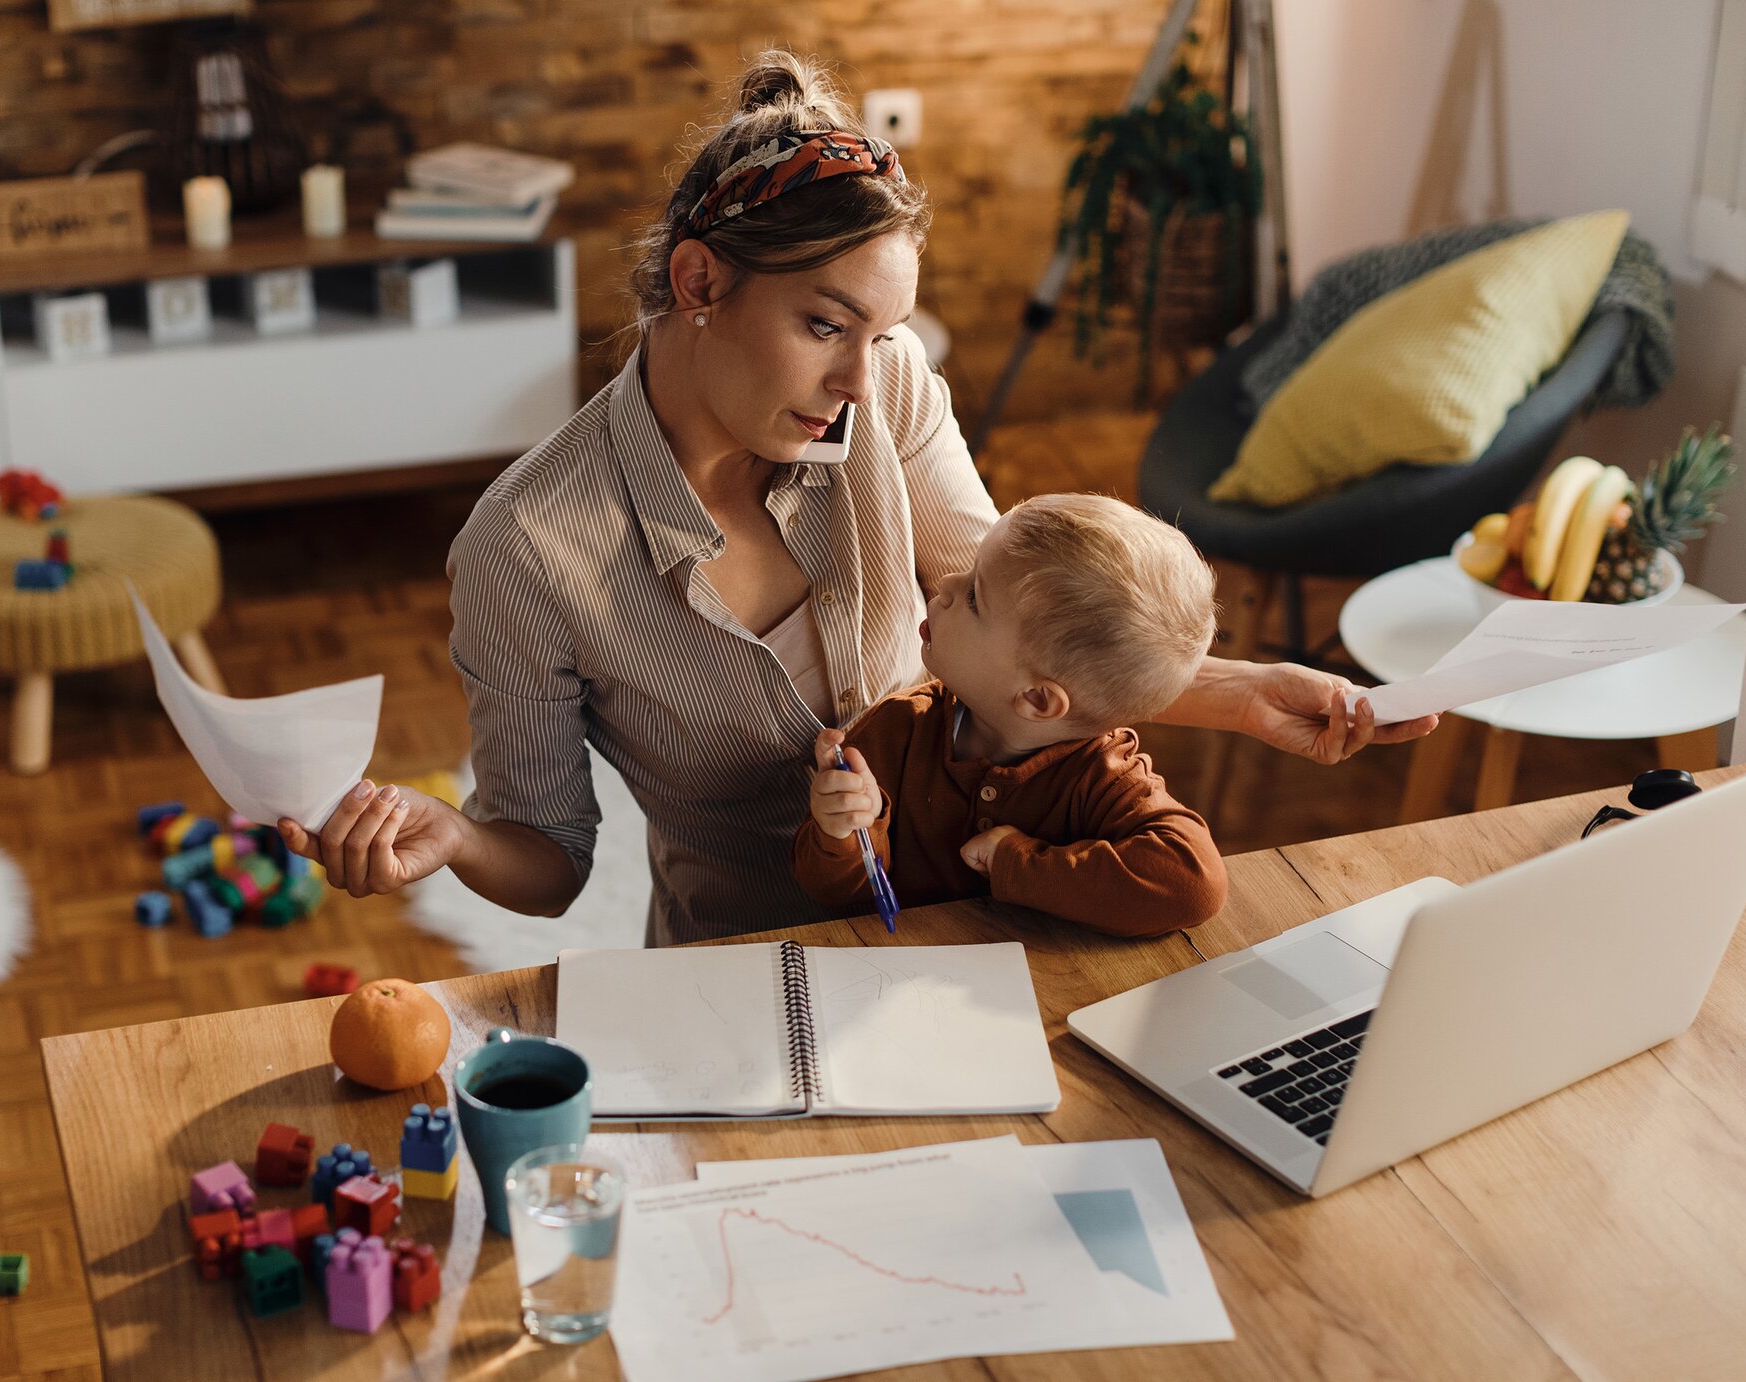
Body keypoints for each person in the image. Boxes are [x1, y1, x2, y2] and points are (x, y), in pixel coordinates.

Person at [278, 50, 1437, 947]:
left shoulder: (884, 386)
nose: (857, 378)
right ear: (699, 282)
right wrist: (459, 839)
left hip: (967, 931)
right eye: (826, 325)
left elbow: (1022, 609)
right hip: (744, 965)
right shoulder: (526, 548)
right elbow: (553, 860)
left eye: (879, 334)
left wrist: (1235, 695)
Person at [794, 493, 1227, 936]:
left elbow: (1195, 883)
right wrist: (842, 833)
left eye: (974, 598)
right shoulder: (896, 731)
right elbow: (828, 890)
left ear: (1038, 700)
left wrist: (1019, 862)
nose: (944, 585)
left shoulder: (1105, 776)